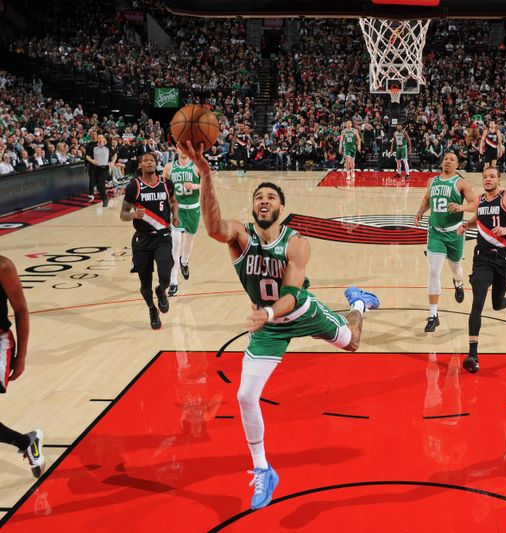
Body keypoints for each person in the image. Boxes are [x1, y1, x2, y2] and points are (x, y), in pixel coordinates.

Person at [182, 140, 380, 511]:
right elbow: (212, 226)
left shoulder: (297, 243)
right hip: (268, 325)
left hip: (298, 310)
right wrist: (206, 175)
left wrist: (270, 314)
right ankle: (263, 470)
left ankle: (357, 303)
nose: (264, 201)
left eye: (271, 197)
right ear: (253, 206)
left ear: (281, 208)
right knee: (244, 396)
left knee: (352, 342)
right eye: (259, 196)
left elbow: (290, 293)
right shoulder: (240, 237)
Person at [455, 168, 506, 373]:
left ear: (499, 179)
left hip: (504, 258)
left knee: (497, 303)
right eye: (485, 177)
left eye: (491, 177)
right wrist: (465, 226)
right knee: (477, 303)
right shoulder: (480, 201)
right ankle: (473, 355)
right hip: (482, 258)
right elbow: (477, 219)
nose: (487, 179)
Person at [415, 152, 476, 332]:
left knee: (456, 269)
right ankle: (433, 315)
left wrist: (462, 207)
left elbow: (475, 204)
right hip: (435, 233)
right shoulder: (432, 181)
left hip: (454, 233)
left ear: (457, 165)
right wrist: (420, 211)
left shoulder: (461, 183)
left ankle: (458, 282)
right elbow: (427, 199)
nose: (447, 161)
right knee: (434, 272)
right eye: (446, 159)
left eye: (452, 159)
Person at [120, 153, 180, 329]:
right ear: (140, 165)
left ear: (156, 163)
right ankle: (152, 309)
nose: (149, 163)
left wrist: (175, 215)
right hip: (142, 239)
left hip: (162, 237)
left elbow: (174, 202)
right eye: (145, 161)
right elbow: (123, 213)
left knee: (166, 277)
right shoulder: (134, 187)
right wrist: (132, 215)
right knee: (144, 284)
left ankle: (161, 291)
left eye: (152, 161)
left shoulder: (166, 183)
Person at [0, 255, 45, 478]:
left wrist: (22, 356)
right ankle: (26, 441)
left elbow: (21, 310)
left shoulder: (3, 266)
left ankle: (26, 442)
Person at [163, 145, 201, 296]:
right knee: (175, 246)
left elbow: (209, 184)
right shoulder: (168, 167)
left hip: (193, 208)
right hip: (177, 210)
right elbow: (164, 187)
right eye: (180, 147)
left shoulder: (197, 166)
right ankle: (173, 281)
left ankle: (184, 261)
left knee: (188, 242)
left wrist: (196, 185)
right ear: (176, 150)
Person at [86, 135, 110, 207]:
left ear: (103, 139)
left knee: (100, 184)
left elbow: (115, 154)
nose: (100, 139)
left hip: (105, 168)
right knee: (99, 186)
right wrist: (92, 161)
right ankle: (105, 198)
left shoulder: (107, 147)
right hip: (96, 168)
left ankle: (105, 199)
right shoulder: (93, 147)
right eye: (99, 138)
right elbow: (87, 156)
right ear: (97, 139)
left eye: (101, 138)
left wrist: (112, 162)